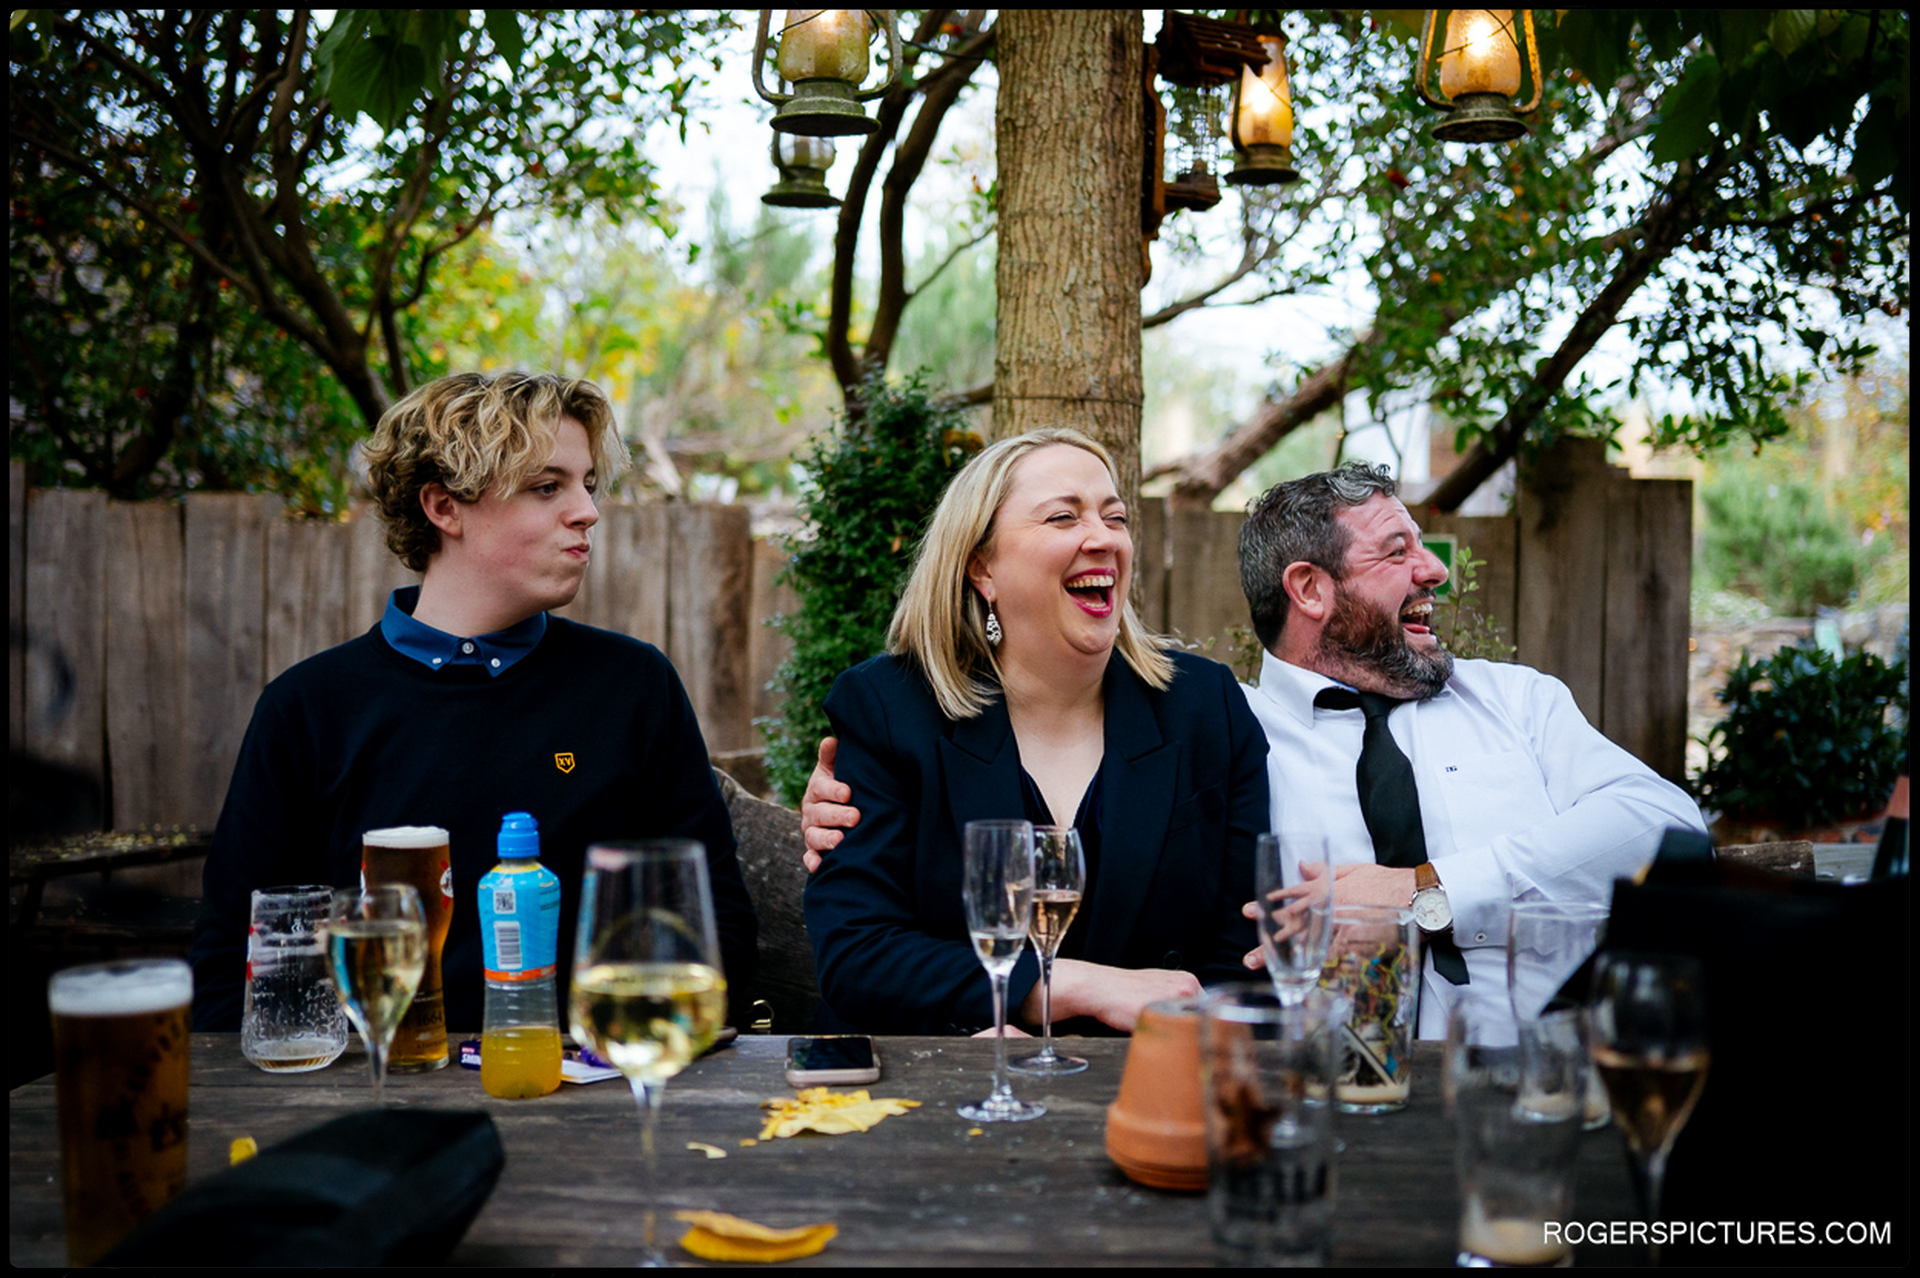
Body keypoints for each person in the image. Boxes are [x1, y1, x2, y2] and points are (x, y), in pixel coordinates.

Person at [807, 462, 1706, 1039]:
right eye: (1401, 550)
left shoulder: (1519, 702)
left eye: (1116, 515)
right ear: (1308, 588)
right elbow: (863, 943)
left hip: (1558, 1065)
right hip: (1321, 1087)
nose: (1437, 571)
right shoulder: (1234, 721)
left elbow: (1673, 832)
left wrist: (1428, 890)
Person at [190, 371, 758, 1033]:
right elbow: (235, 970)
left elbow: (716, 930)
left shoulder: (634, 687)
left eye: (587, 485)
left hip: (599, 1096)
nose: (587, 510)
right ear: (444, 507)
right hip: (377, 1100)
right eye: (547, 487)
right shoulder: (308, 710)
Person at [803, 428, 1267, 1036]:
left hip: (1153, 1077)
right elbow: (859, 956)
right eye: (1062, 518)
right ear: (981, 568)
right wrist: (1061, 986)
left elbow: (1246, 949)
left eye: (1115, 517)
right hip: (951, 1091)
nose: (1102, 539)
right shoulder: (891, 709)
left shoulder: (1205, 707)